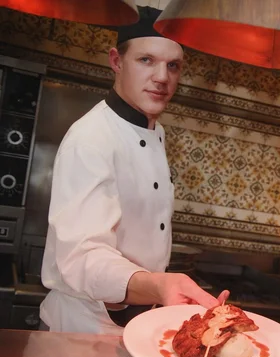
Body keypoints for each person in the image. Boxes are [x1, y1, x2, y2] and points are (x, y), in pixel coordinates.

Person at [38, 7, 228, 335]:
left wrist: (158, 291)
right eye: (146, 60)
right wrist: (157, 285)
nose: (162, 77)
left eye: (173, 66)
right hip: (81, 331)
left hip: (135, 323)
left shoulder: (156, 132)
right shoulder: (92, 137)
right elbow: (83, 255)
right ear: (116, 61)